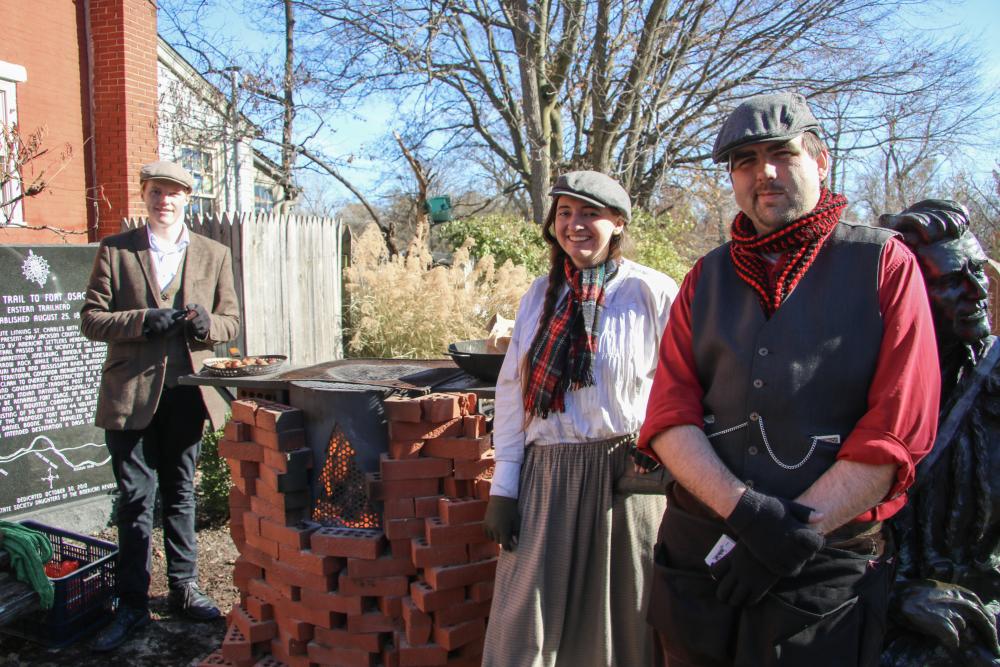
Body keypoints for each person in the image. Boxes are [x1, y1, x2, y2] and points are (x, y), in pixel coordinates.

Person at [637, 92, 940, 667]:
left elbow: (898, 427)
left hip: (822, 566)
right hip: (702, 555)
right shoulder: (705, 277)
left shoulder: (885, 265)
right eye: (745, 162)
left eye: (781, 154)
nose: (764, 174)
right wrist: (747, 514)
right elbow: (669, 412)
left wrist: (794, 533)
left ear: (820, 161)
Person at [481, 171, 677, 666]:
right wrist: (504, 489)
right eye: (565, 213)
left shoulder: (651, 292)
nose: (576, 225)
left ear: (617, 223)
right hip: (547, 479)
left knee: (625, 625)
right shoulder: (541, 295)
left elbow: (684, 388)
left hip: (628, 480)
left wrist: (666, 465)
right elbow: (511, 394)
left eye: (590, 212)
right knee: (526, 630)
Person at [81, 160, 240, 652]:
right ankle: (131, 604)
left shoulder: (214, 254)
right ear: (144, 195)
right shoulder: (116, 250)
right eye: (155, 192)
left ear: (187, 199)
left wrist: (205, 325)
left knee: (181, 492)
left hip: (187, 394)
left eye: (173, 193)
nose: (163, 200)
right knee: (133, 500)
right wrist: (141, 320)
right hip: (130, 397)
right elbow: (91, 319)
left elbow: (232, 322)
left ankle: (184, 589)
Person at [879, 199, 1000, 666]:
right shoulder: (855, 384)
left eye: (978, 269)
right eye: (952, 281)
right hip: (881, 630)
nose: (977, 290)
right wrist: (895, 595)